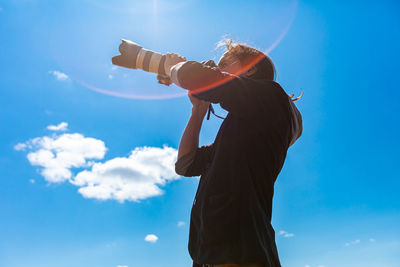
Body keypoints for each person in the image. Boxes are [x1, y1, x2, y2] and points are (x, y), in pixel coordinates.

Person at [162, 41, 302, 267]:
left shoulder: (271, 97)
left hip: (239, 249)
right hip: (211, 253)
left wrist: (173, 67)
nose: (216, 70)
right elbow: (186, 165)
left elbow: (194, 76)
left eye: (224, 63)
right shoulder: (242, 131)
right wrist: (198, 110)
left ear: (250, 69)